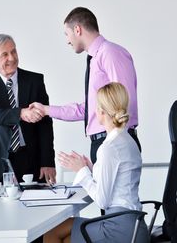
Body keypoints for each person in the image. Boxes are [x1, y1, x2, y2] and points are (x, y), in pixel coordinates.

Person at [30, 7, 141, 163]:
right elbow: (89, 109)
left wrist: (114, 142)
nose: (67, 40)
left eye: (67, 34)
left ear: (77, 30)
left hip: (115, 142)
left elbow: (123, 100)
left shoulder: (110, 53)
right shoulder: (95, 59)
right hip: (103, 142)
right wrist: (46, 110)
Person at [43, 82, 149, 243]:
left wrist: (82, 171)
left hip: (119, 228)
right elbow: (119, 179)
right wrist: (92, 169)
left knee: (51, 234)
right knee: (62, 235)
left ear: (101, 111)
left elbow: (102, 200)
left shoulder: (109, 147)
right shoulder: (127, 139)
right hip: (133, 224)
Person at [0, 34, 56, 184]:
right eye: (5, 54)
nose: (12, 58)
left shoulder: (35, 80)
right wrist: (21, 113)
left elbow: (45, 124)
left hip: (31, 157)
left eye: (13, 51)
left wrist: (48, 161)